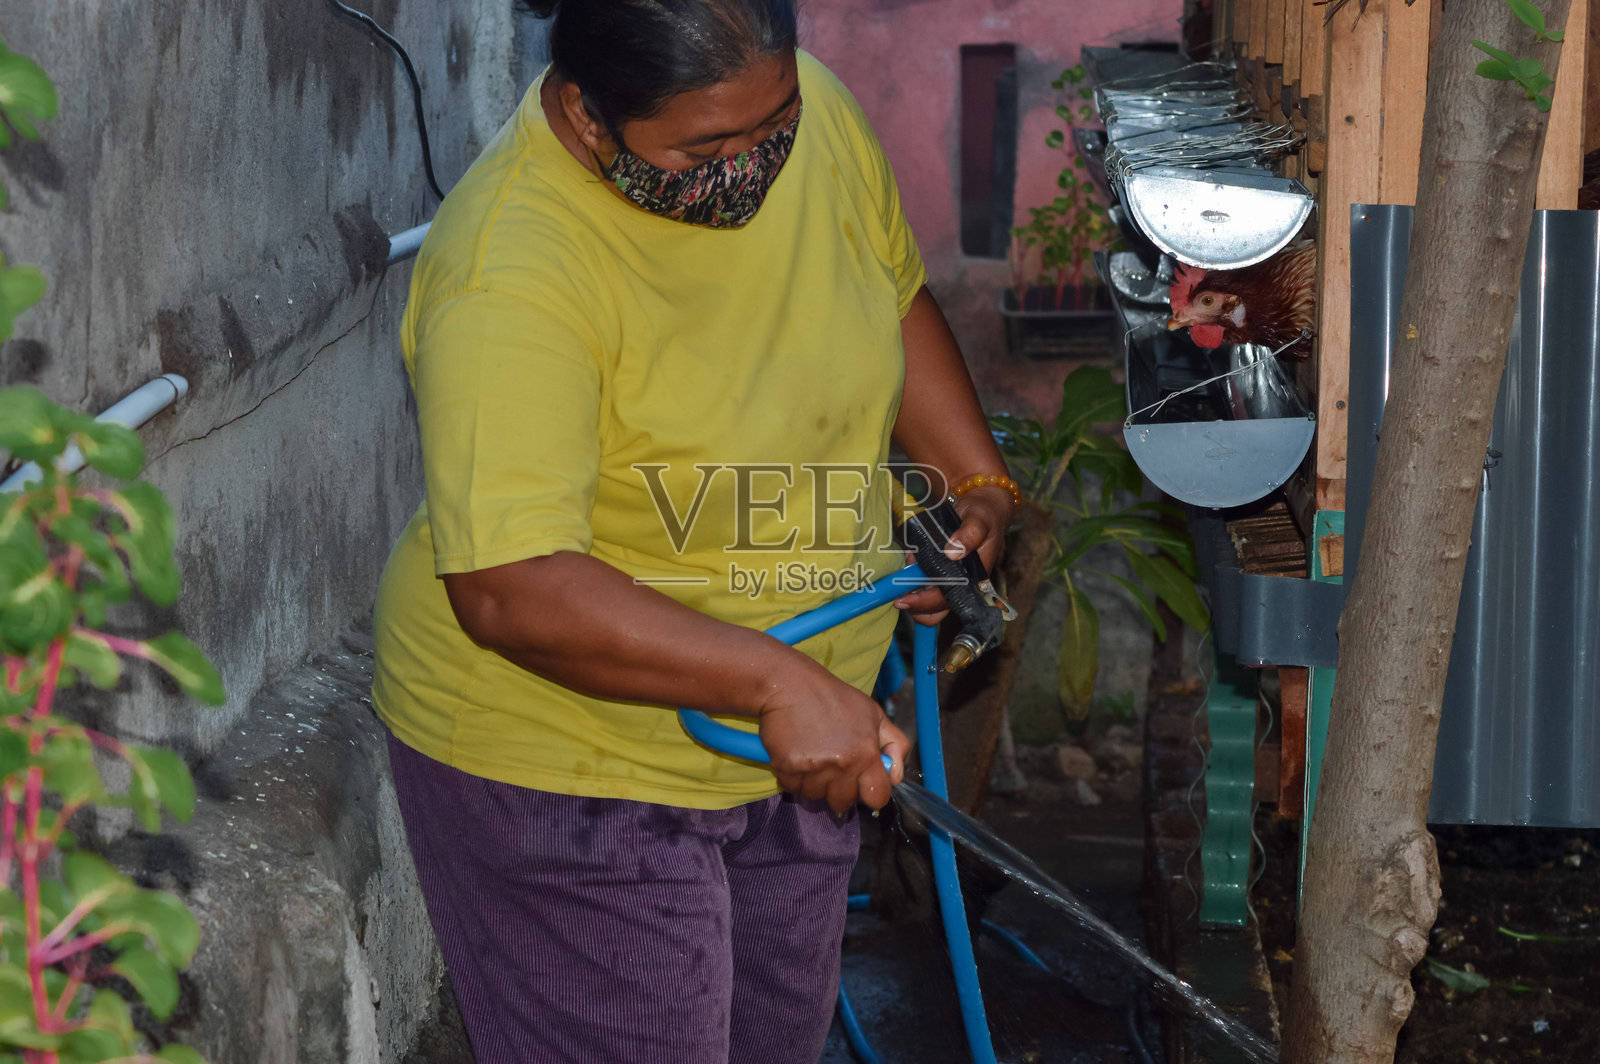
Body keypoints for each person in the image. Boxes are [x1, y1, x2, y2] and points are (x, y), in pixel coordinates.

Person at [371, 1, 1019, 1060]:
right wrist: (773, 682)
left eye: (774, 127)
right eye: (708, 149)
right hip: (571, 766)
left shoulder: (819, 122)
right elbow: (508, 585)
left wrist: (976, 484)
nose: (754, 167)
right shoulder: (512, 265)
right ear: (586, 116)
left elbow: (890, 289)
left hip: (802, 741)